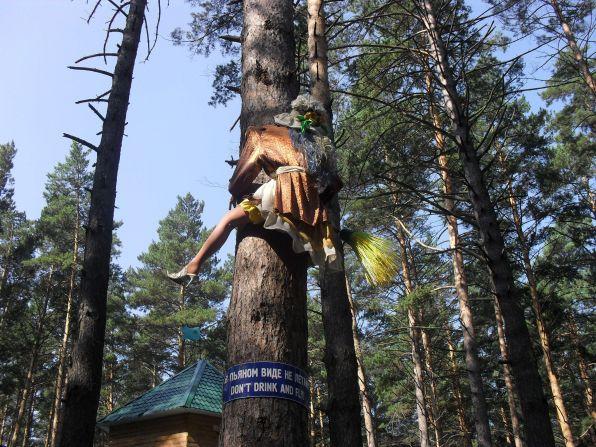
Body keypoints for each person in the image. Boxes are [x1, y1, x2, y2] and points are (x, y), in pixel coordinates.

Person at [167, 94, 343, 286]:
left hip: (281, 190)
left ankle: (194, 265)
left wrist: (237, 191)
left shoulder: (265, 134)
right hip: (311, 207)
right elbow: (333, 183)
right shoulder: (319, 147)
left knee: (228, 220)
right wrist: (312, 199)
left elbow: (241, 178)